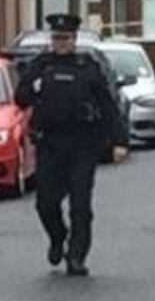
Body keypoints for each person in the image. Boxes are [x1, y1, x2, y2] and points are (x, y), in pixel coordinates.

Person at [15, 14, 129, 276]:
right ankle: (58, 237)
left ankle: (76, 255)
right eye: (56, 38)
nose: (61, 43)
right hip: (50, 144)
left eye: (65, 38)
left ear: (74, 39)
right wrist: (34, 88)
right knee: (46, 203)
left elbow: (107, 105)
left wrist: (119, 140)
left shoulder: (87, 67)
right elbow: (21, 98)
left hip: (82, 144)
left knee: (80, 204)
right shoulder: (40, 65)